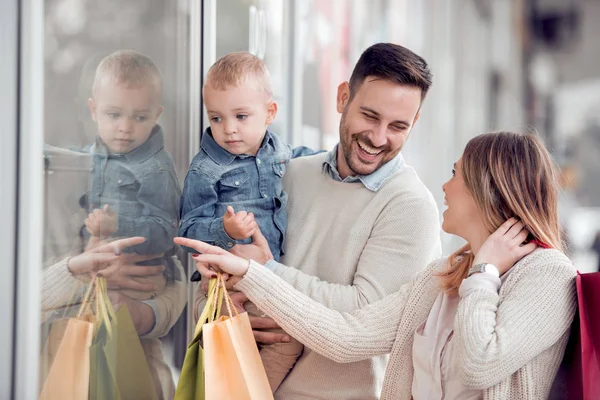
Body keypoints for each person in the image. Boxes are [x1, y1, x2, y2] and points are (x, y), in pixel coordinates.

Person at [179, 131, 578, 400]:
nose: (445, 185)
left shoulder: (547, 275)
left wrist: (486, 273)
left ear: (489, 189)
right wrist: (251, 273)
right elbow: (345, 336)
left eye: (456, 174)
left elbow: (480, 364)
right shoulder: (441, 278)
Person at [192, 43, 442, 399]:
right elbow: (220, 275)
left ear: (414, 124)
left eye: (398, 125)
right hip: (249, 387)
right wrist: (233, 313)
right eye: (370, 116)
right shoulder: (290, 173)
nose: (379, 137)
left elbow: (362, 315)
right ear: (343, 97)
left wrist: (265, 275)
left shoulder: (410, 207)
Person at [178, 51, 317, 391]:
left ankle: (252, 392)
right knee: (235, 345)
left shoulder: (277, 152)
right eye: (216, 118)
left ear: (270, 113)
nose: (229, 129)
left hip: (266, 277)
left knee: (284, 342)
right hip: (226, 283)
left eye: (241, 116)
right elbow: (188, 230)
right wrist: (225, 231)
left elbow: (307, 159)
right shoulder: (205, 169)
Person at [82, 49, 181, 292]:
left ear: (156, 115)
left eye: (139, 117)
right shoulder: (87, 158)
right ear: (94, 110)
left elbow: (168, 233)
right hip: (96, 269)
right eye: (114, 115)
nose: (125, 128)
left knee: (121, 314)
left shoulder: (156, 167)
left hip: (144, 275)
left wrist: (118, 225)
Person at [41, 236, 186, 400]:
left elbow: (175, 271)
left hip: (138, 366)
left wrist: (149, 312)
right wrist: (74, 271)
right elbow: (11, 305)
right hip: (51, 370)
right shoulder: (25, 218)